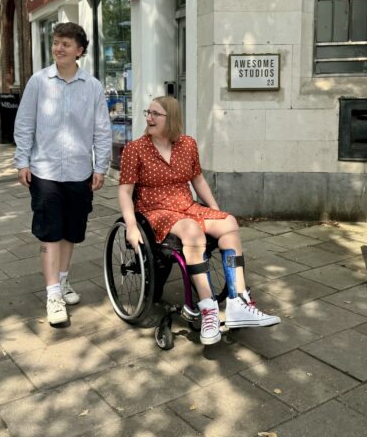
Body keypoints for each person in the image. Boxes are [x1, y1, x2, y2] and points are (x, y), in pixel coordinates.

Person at [118, 96, 280, 346]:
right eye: (147, 113)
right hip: (156, 210)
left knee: (229, 222)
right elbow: (125, 191)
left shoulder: (187, 144)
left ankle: (238, 302)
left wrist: (215, 210)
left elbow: (198, 180)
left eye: (155, 114)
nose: (149, 118)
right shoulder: (135, 149)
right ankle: (208, 309)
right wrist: (130, 225)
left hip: (187, 206)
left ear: (171, 118)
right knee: (192, 232)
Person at [14, 22, 112, 326]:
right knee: (50, 232)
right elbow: (24, 123)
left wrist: (100, 166)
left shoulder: (92, 86)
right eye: (56, 43)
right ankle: (52, 294)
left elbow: (102, 130)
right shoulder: (39, 82)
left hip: (80, 172)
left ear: (79, 50)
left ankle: (63, 280)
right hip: (45, 171)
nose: (58, 48)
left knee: (71, 231)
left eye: (65, 44)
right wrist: (22, 161)